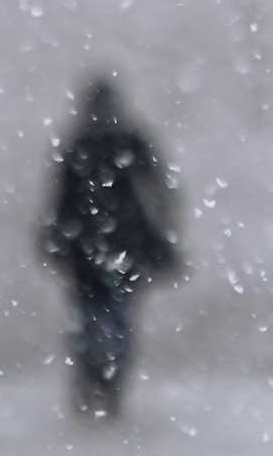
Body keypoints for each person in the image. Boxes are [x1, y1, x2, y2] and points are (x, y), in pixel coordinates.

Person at [39, 76, 179, 418]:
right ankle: (109, 380)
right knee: (118, 317)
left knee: (91, 317)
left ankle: (92, 377)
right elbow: (160, 193)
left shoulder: (78, 145)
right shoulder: (130, 143)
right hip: (125, 248)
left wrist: (56, 237)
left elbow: (60, 201)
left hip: (85, 250)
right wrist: (160, 234)